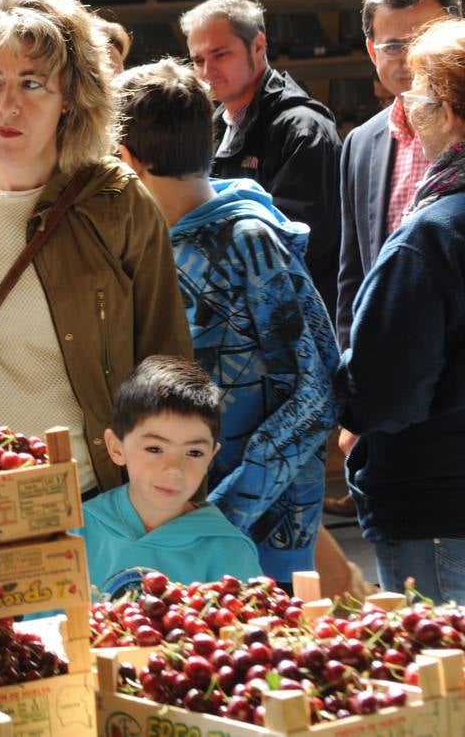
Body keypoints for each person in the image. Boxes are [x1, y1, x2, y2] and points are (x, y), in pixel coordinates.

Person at [0, 0, 193, 498]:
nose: (7, 105)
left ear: (70, 97)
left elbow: (166, 364)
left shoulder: (118, 201)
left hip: (87, 494)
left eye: (32, 84)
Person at [115, 58, 339, 584]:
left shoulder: (250, 241)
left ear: (127, 159)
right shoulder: (144, 248)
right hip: (176, 517)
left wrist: (228, 505)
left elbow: (317, 392)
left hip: (262, 530)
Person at [337, 17, 465, 603]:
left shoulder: (433, 234)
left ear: (446, 110)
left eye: (416, 93)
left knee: (448, 685)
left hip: (438, 508)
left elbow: (385, 392)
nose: (406, 107)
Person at [181, 0, 342, 314]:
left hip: (293, 321)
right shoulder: (211, 127)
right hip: (237, 317)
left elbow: (299, 247)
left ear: (258, 46)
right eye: (197, 60)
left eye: (220, 54)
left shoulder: (304, 127)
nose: (207, 71)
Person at [337, 0, 461, 348]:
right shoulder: (360, 143)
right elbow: (352, 276)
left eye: (425, 39)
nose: (410, 60)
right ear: (373, 52)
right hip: (391, 374)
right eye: (393, 46)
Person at [81, 355, 262, 598]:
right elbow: (44, 627)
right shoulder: (78, 533)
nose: (174, 468)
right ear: (116, 448)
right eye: (155, 449)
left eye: (194, 452)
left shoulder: (228, 550)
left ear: (211, 457)